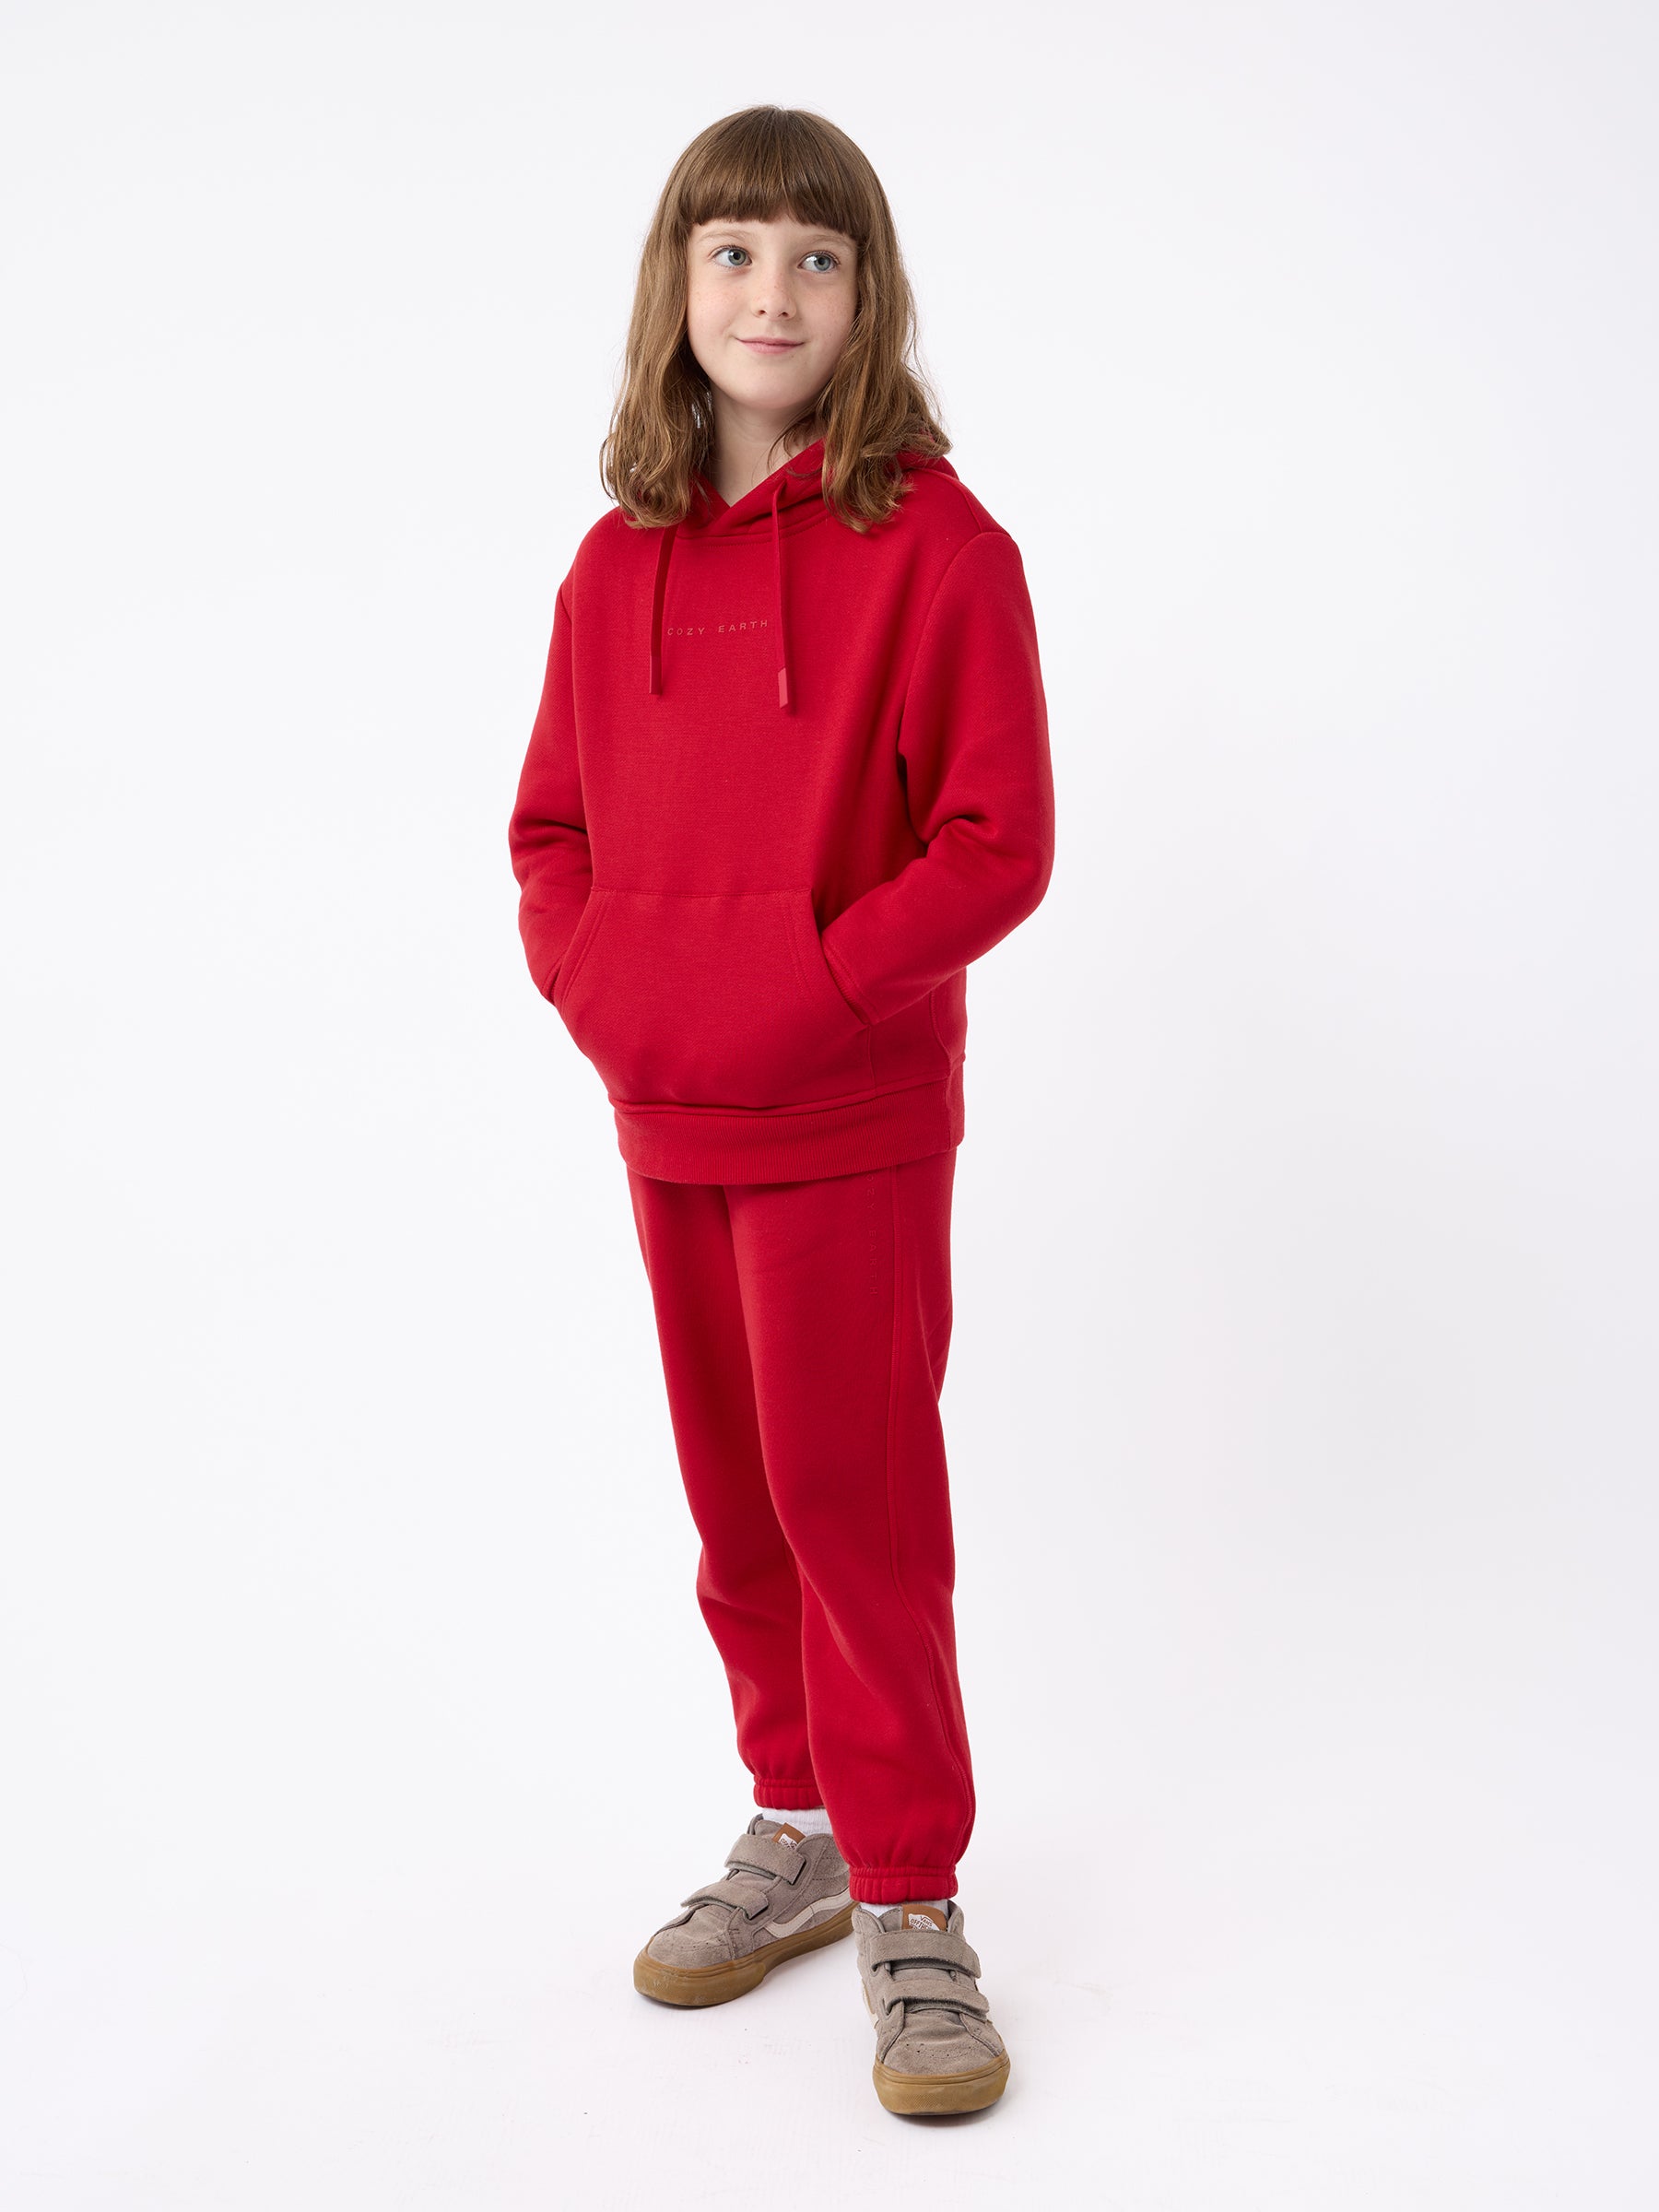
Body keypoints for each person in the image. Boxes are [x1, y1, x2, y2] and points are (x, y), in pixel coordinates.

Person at [507, 104, 1055, 2117]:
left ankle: (913, 1896)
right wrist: (616, 987)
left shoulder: (943, 553)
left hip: (849, 1119)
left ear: (868, 297)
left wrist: (813, 990)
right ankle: (802, 1826)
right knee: (737, 1509)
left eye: (818, 259)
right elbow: (549, 830)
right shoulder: (611, 567)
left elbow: (998, 842)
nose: (771, 293)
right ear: (677, 284)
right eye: (733, 251)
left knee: (856, 1512)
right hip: (668, 1115)